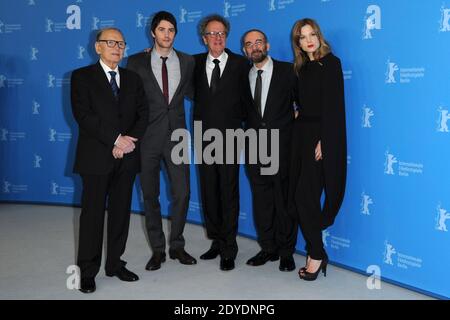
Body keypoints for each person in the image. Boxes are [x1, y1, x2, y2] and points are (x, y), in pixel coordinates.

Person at [71, 27, 149, 293]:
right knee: (92, 216)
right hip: (95, 158)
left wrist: (127, 143)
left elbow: (143, 114)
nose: (117, 47)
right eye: (110, 42)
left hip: (126, 158)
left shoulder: (133, 78)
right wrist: (116, 140)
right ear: (97, 47)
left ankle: (115, 263)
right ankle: (88, 271)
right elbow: (84, 116)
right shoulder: (81, 77)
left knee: (120, 214)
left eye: (121, 43)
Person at [127, 11, 196, 271]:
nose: (167, 34)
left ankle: (177, 245)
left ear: (175, 34)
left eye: (171, 30)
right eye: (162, 29)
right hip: (147, 139)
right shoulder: (135, 62)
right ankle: (158, 250)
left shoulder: (189, 61)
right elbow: (129, 100)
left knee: (183, 192)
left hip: (177, 136)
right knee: (150, 195)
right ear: (153, 32)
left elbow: (200, 90)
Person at [289, 18, 347, 281]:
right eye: (302, 36)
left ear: (319, 36)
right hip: (301, 136)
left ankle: (316, 254)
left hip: (321, 138)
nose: (308, 39)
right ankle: (317, 251)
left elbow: (333, 107)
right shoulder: (301, 68)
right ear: (298, 42)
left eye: (312, 34)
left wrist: (325, 140)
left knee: (305, 198)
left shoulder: (331, 64)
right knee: (303, 198)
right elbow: (302, 103)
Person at [193, 14, 248, 271]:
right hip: (203, 138)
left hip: (230, 138)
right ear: (204, 38)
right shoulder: (191, 63)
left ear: (226, 37)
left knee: (228, 191)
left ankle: (229, 247)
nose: (217, 38)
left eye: (221, 34)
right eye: (212, 34)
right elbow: (164, 64)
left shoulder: (241, 64)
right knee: (209, 190)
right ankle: (216, 240)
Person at [241, 29, 297, 272]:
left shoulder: (288, 71)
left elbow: (305, 105)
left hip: (283, 148)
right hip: (254, 148)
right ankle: (268, 248)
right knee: (262, 201)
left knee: (284, 201)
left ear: (268, 45)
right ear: (244, 50)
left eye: (259, 42)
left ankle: (286, 252)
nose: (255, 47)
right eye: (249, 44)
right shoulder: (242, 75)